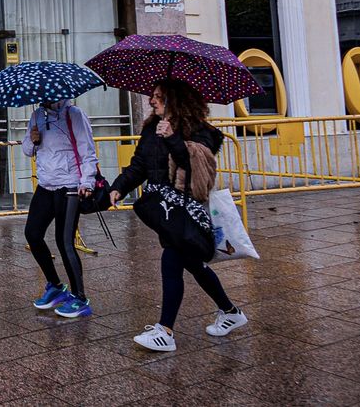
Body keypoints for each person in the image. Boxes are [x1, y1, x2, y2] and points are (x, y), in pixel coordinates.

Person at [109, 80, 247, 352]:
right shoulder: (152, 128)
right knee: (193, 264)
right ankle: (230, 312)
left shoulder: (201, 131)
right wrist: (119, 187)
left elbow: (197, 167)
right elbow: (140, 164)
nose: (152, 101)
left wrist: (173, 138)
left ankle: (165, 331)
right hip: (163, 209)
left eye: (158, 96)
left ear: (175, 99)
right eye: (152, 95)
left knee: (171, 261)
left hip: (185, 209)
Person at [21, 98, 99, 318]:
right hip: (46, 184)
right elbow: (27, 150)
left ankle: (80, 298)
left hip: (70, 185)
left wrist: (87, 182)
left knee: (64, 242)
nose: (44, 97)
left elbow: (87, 151)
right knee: (32, 234)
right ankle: (55, 286)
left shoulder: (74, 114)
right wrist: (33, 140)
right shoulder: (37, 115)